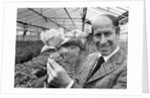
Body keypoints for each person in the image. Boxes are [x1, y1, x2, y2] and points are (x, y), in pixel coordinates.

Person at [46, 14, 127, 88]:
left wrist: (68, 84)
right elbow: (80, 81)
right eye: (98, 35)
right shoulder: (91, 57)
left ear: (118, 33)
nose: (103, 41)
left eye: (107, 34)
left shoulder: (127, 68)